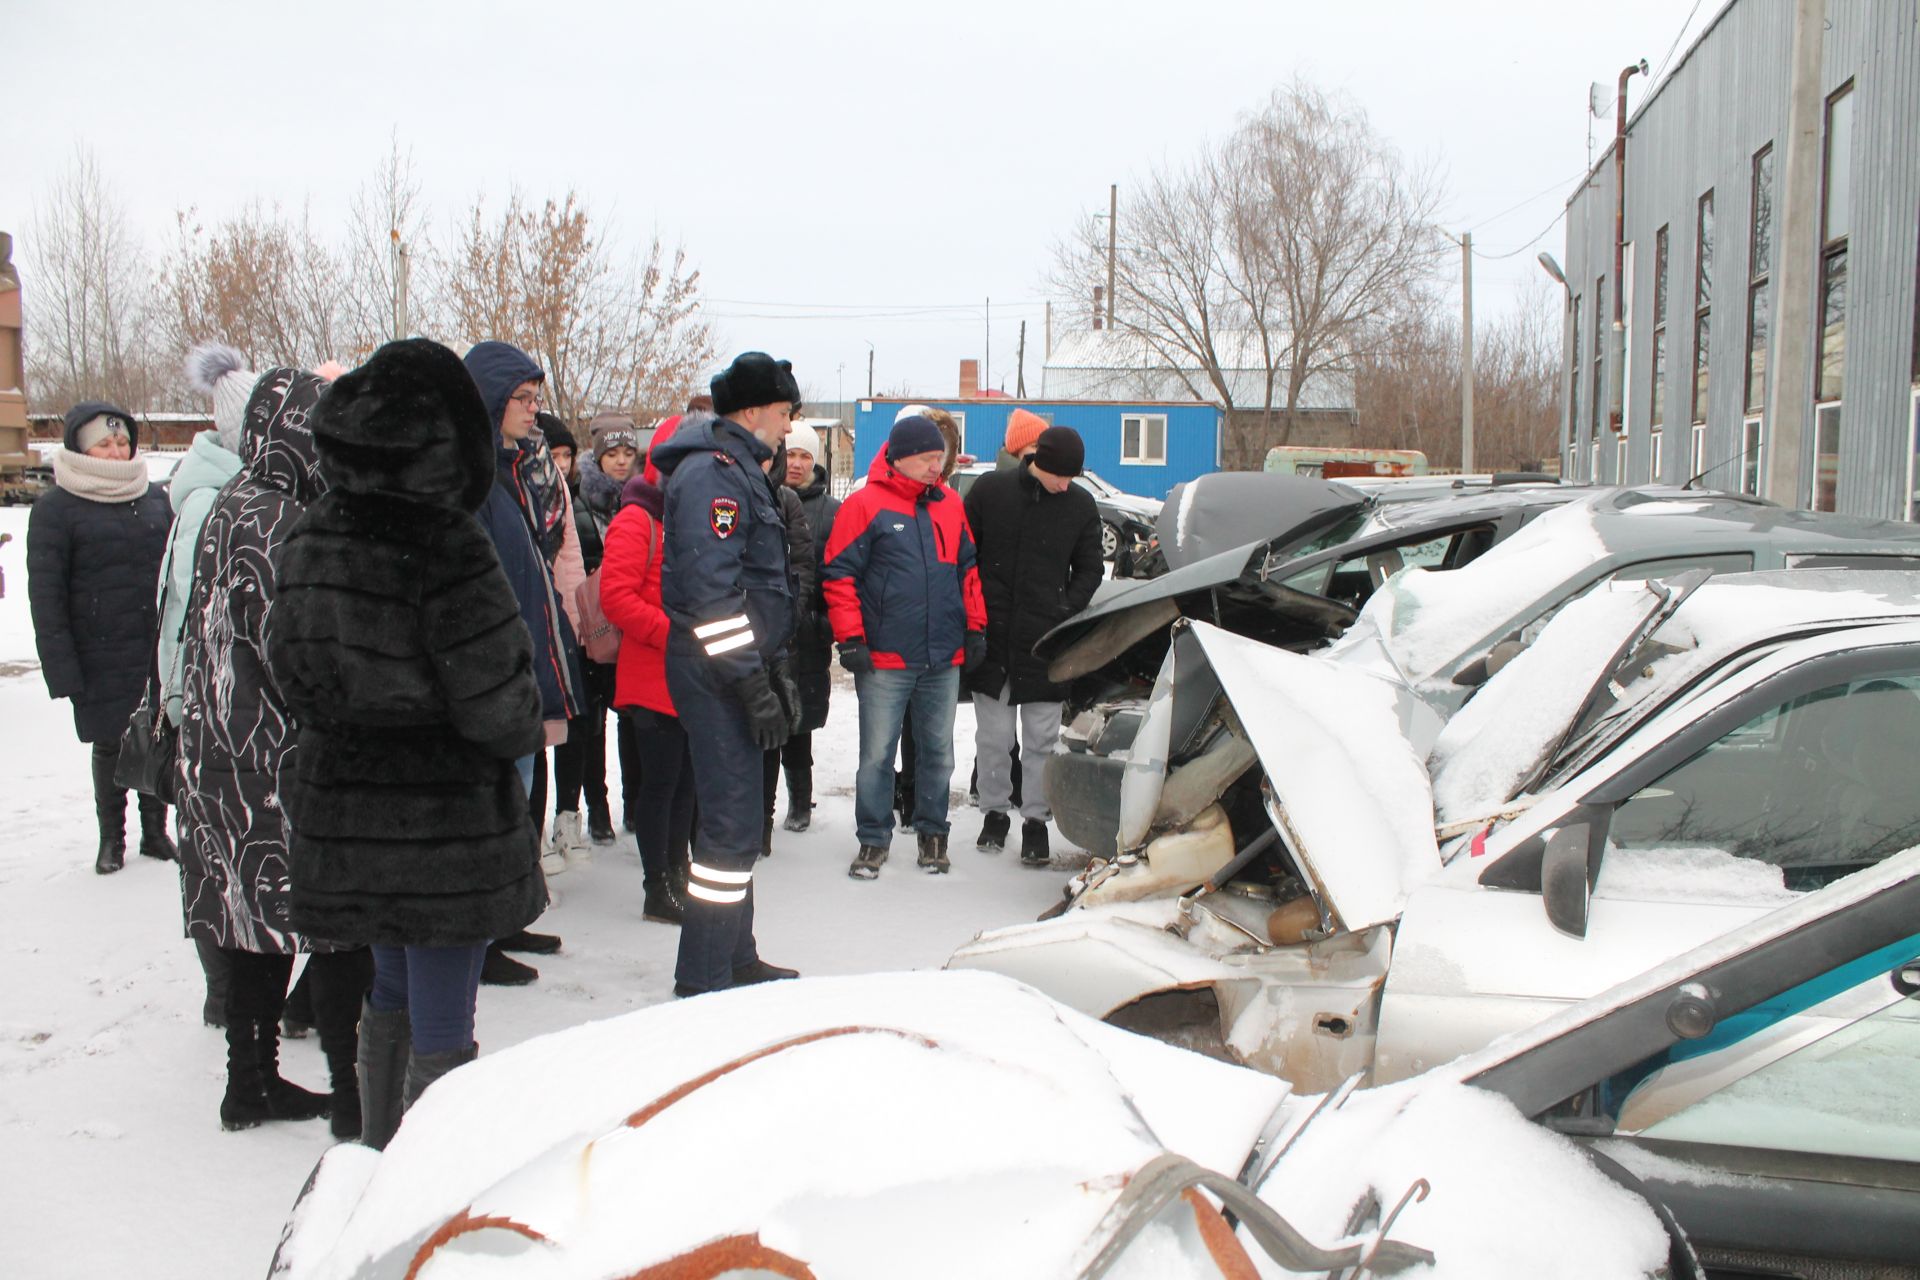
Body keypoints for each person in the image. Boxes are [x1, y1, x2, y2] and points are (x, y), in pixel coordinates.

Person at [266, 337, 547, 1150]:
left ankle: (377, 1153)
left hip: (346, 805)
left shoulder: (313, 533)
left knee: (387, 983)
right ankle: (429, 1182)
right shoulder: (448, 542)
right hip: (441, 820)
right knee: (442, 1015)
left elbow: (290, 670)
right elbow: (499, 703)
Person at [175, 366, 373, 1135]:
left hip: (221, 752)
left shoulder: (233, 502)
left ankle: (249, 1081)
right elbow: (294, 651)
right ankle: (353, 1095)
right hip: (278, 760)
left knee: (250, 925)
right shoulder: (281, 521)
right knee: (333, 928)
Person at [650, 354, 804, 996]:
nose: (789, 427)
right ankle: (703, 976)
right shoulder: (713, 475)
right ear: (752, 410)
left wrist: (773, 670)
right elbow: (714, 601)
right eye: (784, 412)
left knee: (737, 824)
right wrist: (749, 681)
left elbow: (758, 586)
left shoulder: (740, 468)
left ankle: (735, 957)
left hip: (734, 666)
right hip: (716, 669)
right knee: (731, 827)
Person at [824, 413, 986, 879]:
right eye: (927, 459)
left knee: (938, 751)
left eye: (940, 458)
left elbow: (968, 571)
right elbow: (839, 575)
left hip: (942, 655)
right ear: (900, 458)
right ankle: (872, 839)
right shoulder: (864, 505)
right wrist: (851, 638)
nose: (937, 467)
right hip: (885, 658)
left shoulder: (951, 505)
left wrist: (975, 628)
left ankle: (933, 832)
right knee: (877, 754)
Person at [462, 341, 579, 983]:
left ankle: (505, 920)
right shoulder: (472, 475)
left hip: (525, 661)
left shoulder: (513, 469)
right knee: (497, 803)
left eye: (537, 399)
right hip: (492, 672)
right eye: (522, 399)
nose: (534, 413)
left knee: (520, 800)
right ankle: (477, 943)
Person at [27, 400, 174, 875]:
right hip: (98, 653)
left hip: (153, 646)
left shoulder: (155, 498)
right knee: (110, 744)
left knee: (158, 735)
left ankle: (156, 832)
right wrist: (61, 665)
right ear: (81, 448)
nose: (116, 452)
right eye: (105, 444)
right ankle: (112, 838)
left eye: (123, 442)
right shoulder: (56, 510)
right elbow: (46, 597)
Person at [963, 426, 1104, 867]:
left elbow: (1090, 568)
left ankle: (1035, 823)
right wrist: (974, 612)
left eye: (1072, 477)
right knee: (995, 738)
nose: (1067, 484)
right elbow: (965, 554)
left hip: (1044, 643)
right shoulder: (991, 491)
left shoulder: (1080, 505)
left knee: (1041, 739)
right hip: (993, 638)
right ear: (1039, 461)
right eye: (1062, 475)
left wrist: (1066, 608)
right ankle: (994, 814)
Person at [162, 342, 252, 1026]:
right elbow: (184, 615)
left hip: (221, 701)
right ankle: (226, 996)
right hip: (206, 704)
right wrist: (180, 703)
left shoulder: (236, 489)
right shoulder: (212, 500)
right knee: (215, 854)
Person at [599, 417, 691, 926]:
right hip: (652, 675)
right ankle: (657, 886)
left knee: (687, 784)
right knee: (661, 785)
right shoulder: (638, 519)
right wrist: (672, 634)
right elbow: (616, 597)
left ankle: (679, 873)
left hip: (689, 677)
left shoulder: (688, 517)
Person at [550, 413, 638, 857]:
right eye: (612, 453)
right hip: (589, 627)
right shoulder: (578, 497)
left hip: (630, 627)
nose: (620, 462)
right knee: (591, 724)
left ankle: (633, 807)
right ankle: (597, 810)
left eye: (627, 453)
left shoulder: (638, 501)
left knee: (633, 719)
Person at [777, 420, 839, 832]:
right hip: (767, 630)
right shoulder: (759, 497)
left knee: (799, 723)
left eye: (804, 456)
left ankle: (801, 801)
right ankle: (762, 802)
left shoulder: (831, 511)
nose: (796, 464)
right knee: (766, 717)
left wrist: (823, 622)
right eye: (790, 454)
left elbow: (838, 575)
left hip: (808, 633)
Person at [759, 440, 814, 854]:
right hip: (742, 632)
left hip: (786, 633)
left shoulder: (786, 501)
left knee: (785, 726)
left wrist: (794, 614)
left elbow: (802, 564)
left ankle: (771, 813)